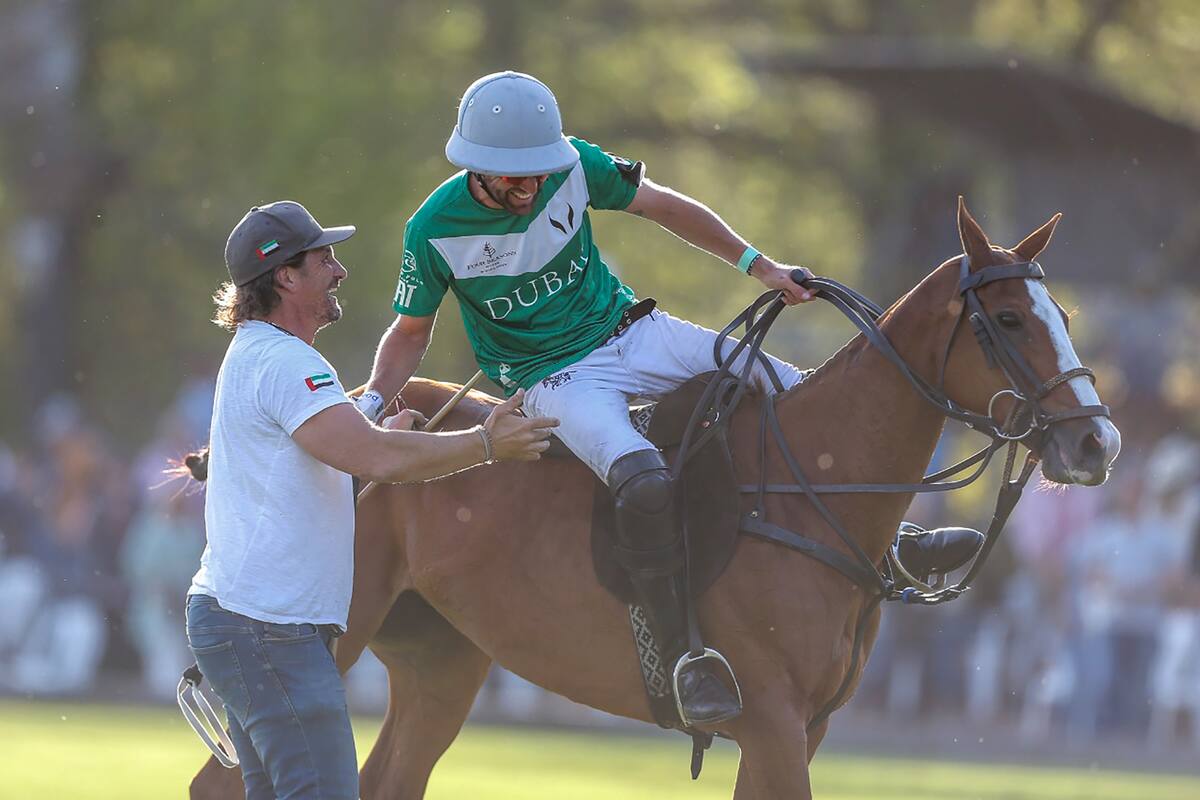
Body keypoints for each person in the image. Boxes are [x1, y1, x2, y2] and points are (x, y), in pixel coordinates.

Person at [360, 72, 982, 726]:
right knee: (645, 481)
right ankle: (688, 656)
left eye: (539, 172)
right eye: (516, 179)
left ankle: (894, 547)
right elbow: (410, 333)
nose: (533, 187)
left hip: (632, 330)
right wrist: (374, 401)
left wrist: (759, 265)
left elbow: (662, 206)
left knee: (797, 394)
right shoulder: (433, 229)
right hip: (555, 377)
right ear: (477, 168)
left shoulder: (573, 165)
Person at [187, 200, 556, 800]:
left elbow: (342, 450)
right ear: (286, 276)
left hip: (254, 625)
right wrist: (488, 443)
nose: (340, 271)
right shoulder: (284, 361)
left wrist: (379, 426)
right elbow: (374, 457)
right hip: (270, 631)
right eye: (324, 259)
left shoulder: (264, 353)